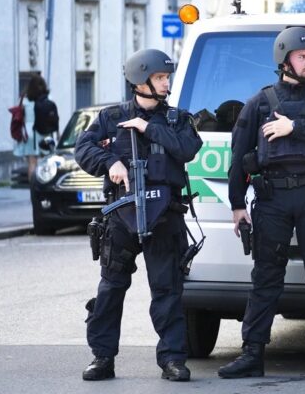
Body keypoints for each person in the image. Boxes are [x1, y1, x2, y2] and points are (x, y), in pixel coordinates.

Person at [219, 27, 305, 380]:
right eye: (302, 57)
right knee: (266, 276)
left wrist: (296, 127)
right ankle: (251, 353)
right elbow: (239, 155)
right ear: (284, 59)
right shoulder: (260, 102)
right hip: (273, 198)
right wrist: (237, 204)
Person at [75, 49, 202, 382]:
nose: (166, 83)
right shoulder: (110, 117)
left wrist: (147, 128)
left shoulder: (176, 119)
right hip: (122, 216)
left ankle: (173, 359)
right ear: (139, 81)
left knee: (167, 290)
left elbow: (188, 148)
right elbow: (83, 147)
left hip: (165, 215)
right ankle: (102, 357)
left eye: (166, 77)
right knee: (111, 287)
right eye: (160, 77)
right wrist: (109, 163)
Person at [13, 75, 59, 179]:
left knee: (32, 162)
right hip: (45, 132)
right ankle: (45, 186)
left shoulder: (24, 100)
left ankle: (33, 190)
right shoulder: (48, 98)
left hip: (30, 133)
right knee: (47, 161)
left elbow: (20, 117)